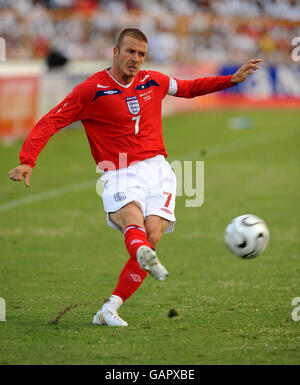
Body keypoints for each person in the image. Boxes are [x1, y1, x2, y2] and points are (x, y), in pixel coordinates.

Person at [8, 28, 261, 327]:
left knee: (152, 234)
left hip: (158, 169)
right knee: (133, 222)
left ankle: (109, 309)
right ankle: (142, 252)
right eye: (130, 52)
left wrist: (230, 81)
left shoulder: (154, 80)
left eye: (141, 54)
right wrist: (27, 160)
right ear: (116, 52)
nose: (136, 59)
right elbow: (52, 121)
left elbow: (190, 88)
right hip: (119, 170)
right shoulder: (92, 89)